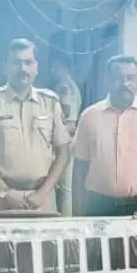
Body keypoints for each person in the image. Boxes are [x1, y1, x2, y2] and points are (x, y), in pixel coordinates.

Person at [72, 54, 137, 241]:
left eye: (130, 78)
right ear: (107, 80)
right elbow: (79, 168)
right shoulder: (89, 116)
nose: (125, 83)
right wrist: (77, 213)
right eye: (118, 78)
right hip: (99, 206)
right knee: (98, 266)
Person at [0, 38, 71, 218]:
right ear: (5, 67)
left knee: (45, 246)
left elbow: (63, 152)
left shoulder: (50, 102)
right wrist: (5, 191)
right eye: (16, 62)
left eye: (28, 62)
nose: (22, 68)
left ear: (36, 67)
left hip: (42, 199)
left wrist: (45, 191)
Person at [50, 55, 82, 217]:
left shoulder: (63, 85)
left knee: (64, 186)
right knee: (65, 185)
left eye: (55, 67)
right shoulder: (73, 85)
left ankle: (64, 220)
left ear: (64, 67)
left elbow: (66, 109)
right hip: (71, 133)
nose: (52, 71)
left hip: (65, 134)